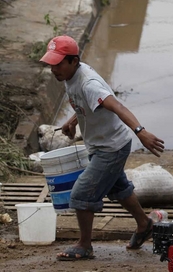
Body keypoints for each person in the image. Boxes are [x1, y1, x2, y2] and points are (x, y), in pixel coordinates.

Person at [39, 35, 165, 260]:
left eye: (58, 64)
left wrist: (140, 131)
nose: (53, 69)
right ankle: (144, 224)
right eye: (51, 64)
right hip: (101, 144)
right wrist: (72, 121)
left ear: (74, 61)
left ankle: (84, 245)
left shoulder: (89, 83)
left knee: (81, 193)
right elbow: (86, 104)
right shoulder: (70, 76)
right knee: (118, 188)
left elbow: (116, 106)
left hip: (111, 148)